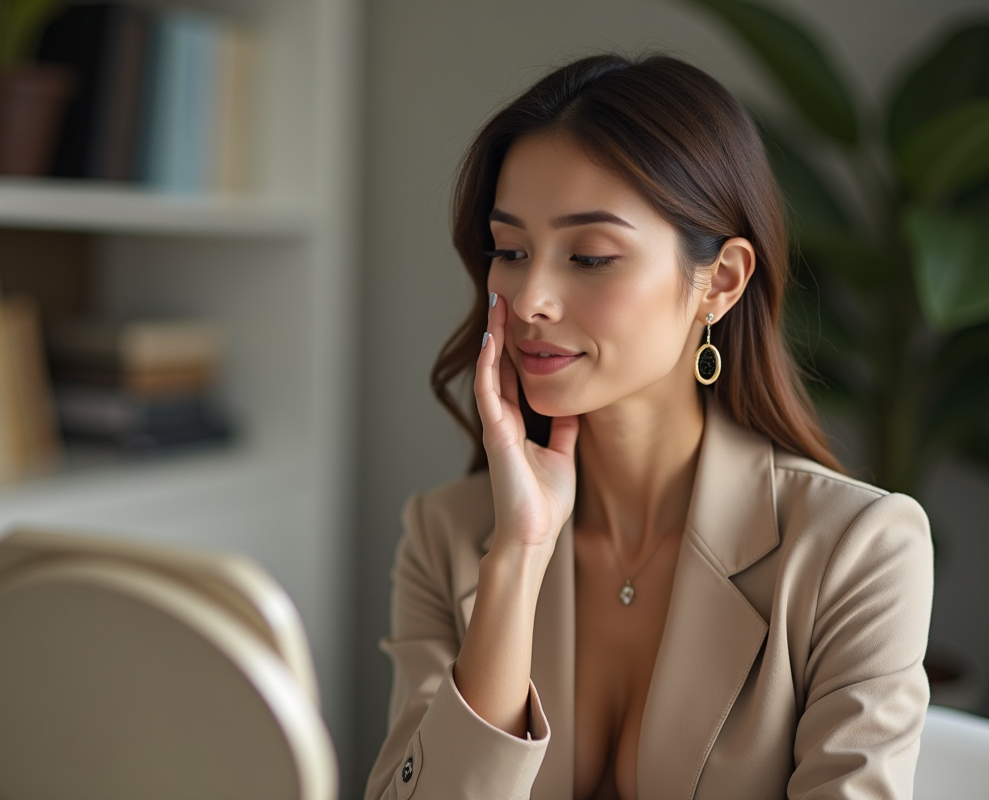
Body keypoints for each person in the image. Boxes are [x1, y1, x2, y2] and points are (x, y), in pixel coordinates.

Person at [364, 53, 934, 800]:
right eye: (510, 250)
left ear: (720, 283)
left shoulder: (857, 552)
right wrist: (518, 559)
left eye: (591, 257)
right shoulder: (446, 537)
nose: (530, 296)